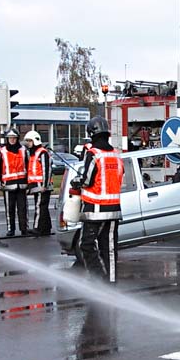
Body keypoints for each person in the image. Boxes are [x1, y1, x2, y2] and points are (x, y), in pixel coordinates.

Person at [70, 117, 124, 283]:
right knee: (110, 248)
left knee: (86, 245)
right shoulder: (116, 155)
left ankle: (98, 279)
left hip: (95, 209)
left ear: (91, 133)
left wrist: (76, 181)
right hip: (114, 210)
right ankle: (111, 283)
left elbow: (87, 181)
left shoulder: (93, 154)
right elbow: (119, 176)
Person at [0, 128, 28, 237]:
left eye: (14, 138)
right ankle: (11, 229)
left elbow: (28, 166)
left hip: (22, 184)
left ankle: (24, 228)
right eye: (10, 138)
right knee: (9, 209)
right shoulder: (2, 151)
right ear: (7, 139)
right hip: (8, 185)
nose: (12, 140)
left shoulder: (23, 150)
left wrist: (28, 182)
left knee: (23, 208)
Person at [24, 130, 53, 236]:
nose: (28, 143)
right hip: (36, 185)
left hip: (42, 186)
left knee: (39, 207)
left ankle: (37, 228)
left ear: (35, 141)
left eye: (29, 141)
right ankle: (46, 228)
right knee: (43, 207)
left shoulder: (42, 153)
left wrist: (44, 185)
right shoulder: (33, 153)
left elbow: (47, 170)